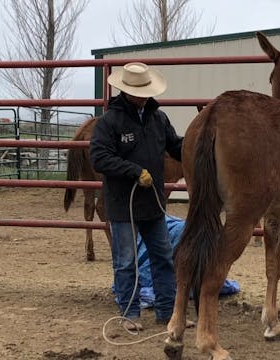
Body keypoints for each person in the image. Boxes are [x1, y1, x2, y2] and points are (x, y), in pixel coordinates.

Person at [90, 62, 183, 331]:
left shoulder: (158, 119)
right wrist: (133, 171)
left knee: (163, 256)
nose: (143, 96)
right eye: (138, 90)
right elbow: (100, 158)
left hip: (152, 202)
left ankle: (166, 312)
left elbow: (175, 146)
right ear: (127, 91)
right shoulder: (110, 122)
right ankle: (129, 313)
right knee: (125, 261)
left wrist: (195, 146)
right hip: (123, 204)